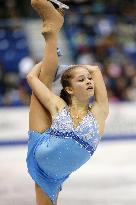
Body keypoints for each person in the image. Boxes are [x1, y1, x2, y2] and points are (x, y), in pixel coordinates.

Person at [26, 0, 109, 205]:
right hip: (43, 150)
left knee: (45, 75)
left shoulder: (100, 111)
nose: (89, 81)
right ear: (69, 89)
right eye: (82, 80)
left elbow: (96, 70)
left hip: (50, 176)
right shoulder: (59, 106)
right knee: (45, 79)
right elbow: (33, 78)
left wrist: (64, 67)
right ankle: (51, 29)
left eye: (88, 79)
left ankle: (52, 28)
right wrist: (58, 68)